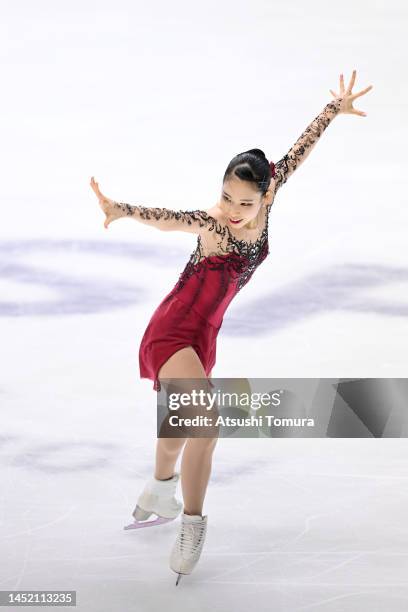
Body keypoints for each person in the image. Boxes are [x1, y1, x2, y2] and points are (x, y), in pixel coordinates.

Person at [90, 70, 373, 585]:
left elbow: (298, 152)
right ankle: (193, 524)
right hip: (172, 330)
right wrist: (121, 210)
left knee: (180, 425)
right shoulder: (215, 223)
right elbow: (169, 218)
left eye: (247, 201)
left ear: (266, 194)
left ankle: (158, 489)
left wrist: (333, 110)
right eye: (227, 197)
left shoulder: (270, 192)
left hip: (203, 337)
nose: (236, 211)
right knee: (206, 422)